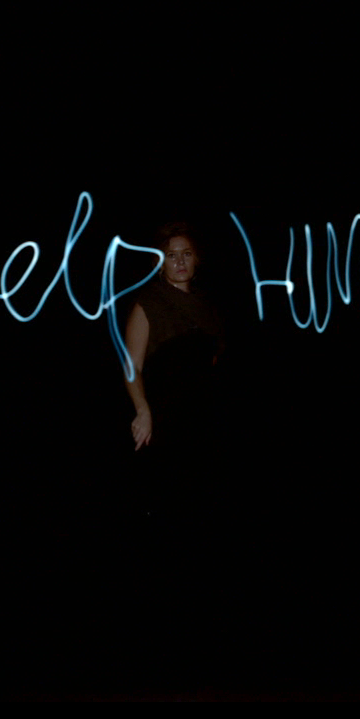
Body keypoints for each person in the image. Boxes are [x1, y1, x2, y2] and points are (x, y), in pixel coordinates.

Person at [122, 222, 225, 526]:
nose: (180, 261)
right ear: (159, 262)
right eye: (171, 255)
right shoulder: (149, 303)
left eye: (186, 253)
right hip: (165, 423)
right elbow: (132, 366)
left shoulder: (209, 307)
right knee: (167, 504)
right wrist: (142, 410)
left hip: (204, 423)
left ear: (197, 259)